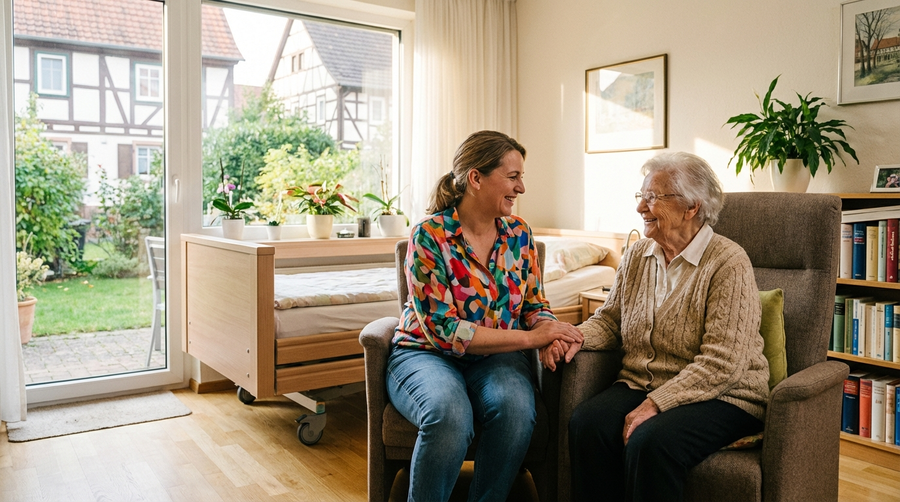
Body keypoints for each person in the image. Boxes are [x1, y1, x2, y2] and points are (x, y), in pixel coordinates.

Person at [558, 152, 770, 502]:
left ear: (691, 207)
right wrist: (572, 336)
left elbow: (723, 362)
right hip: (643, 382)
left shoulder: (728, 262)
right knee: (588, 424)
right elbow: (611, 322)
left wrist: (657, 403)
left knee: (651, 441)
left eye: (653, 197)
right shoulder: (638, 254)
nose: (641, 207)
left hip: (725, 395)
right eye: (641, 196)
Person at [387, 130, 584, 502]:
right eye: (513, 177)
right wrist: (530, 339)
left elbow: (533, 305)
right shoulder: (429, 236)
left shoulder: (520, 235)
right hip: (425, 354)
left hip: (495, 359)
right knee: (449, 416)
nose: (521, 188)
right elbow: (444, 330)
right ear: (476, 179)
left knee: (515, 412)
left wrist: (549, 331)